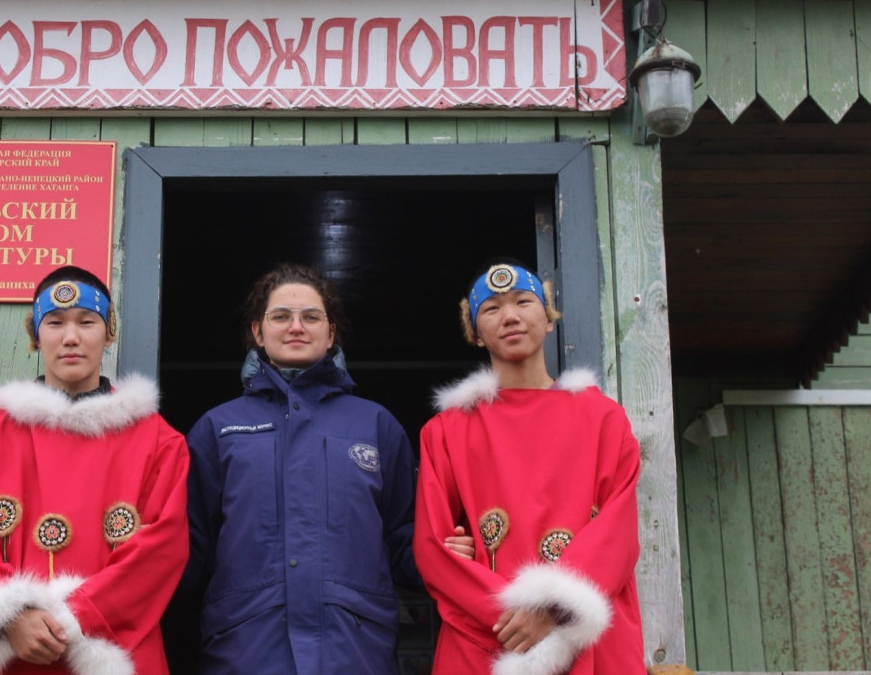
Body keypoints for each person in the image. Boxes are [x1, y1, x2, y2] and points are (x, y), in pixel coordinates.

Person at [183, 263, 473, 675]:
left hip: (355, 651)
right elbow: (186, 551)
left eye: (311, 317)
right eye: (281, 316)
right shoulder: (218, 427)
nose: (296, 326)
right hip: (245, 650)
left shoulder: (375, 425)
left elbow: (406, 540)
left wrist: (450, 553)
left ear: (331, 333)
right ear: (258, 332)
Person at [0, 265, 189, 675]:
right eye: (54, 323)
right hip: (8, 653)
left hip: (108, 650)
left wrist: (79, 618)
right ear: (35, 336)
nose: (71, 337)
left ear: (109, 332)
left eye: (87, 322)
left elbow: (161, 550)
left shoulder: (158, 442)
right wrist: (11, 617)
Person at [414, 260, 645, 675]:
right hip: (487, 636)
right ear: (475, 334)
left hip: (584, 636)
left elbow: (618, 530)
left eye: (524, 301)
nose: (511, 316)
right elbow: (433, 547)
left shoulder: (603, 419)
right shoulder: (446, 431)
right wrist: (515, 618)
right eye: (492, 309)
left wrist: (554, 609)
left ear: (549, 320)